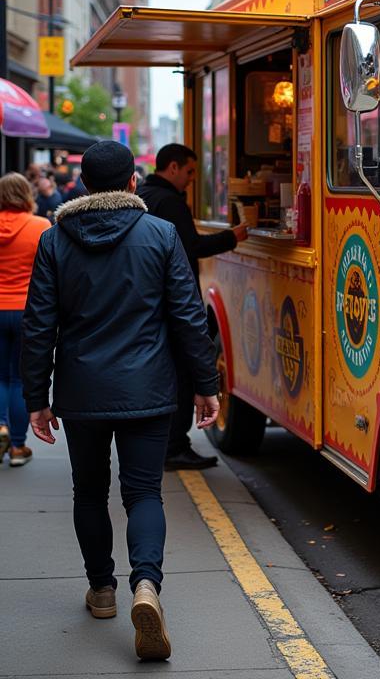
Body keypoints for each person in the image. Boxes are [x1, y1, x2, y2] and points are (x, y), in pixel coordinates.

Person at [20, 141, 220, 662]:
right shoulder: (160, 234)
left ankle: (103, 590)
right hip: (149, 390)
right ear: (134, 182)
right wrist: (205, 383)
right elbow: (187, 316)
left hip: (82, 391)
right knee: (143, 494)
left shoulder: (55, 239)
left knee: (89, 491)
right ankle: (147, 586)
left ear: (83, 185)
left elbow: (40, 324)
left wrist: (35, 399)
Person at [138, 143, 246, 470]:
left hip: (149, 300)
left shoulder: (144, 196)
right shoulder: (171, 202)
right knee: (183, 376)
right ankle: (175, 447)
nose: (190, 179)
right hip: (174, 300)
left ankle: (164, 443)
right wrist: (234, 236)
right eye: (188, 172)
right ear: (172, 167)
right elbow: (192, 247)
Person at [0, 173, 50, 466]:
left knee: (0, 377)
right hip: (26, 311)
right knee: (20, 378)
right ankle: (18, 446)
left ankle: (1, 427)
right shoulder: (40, 226)